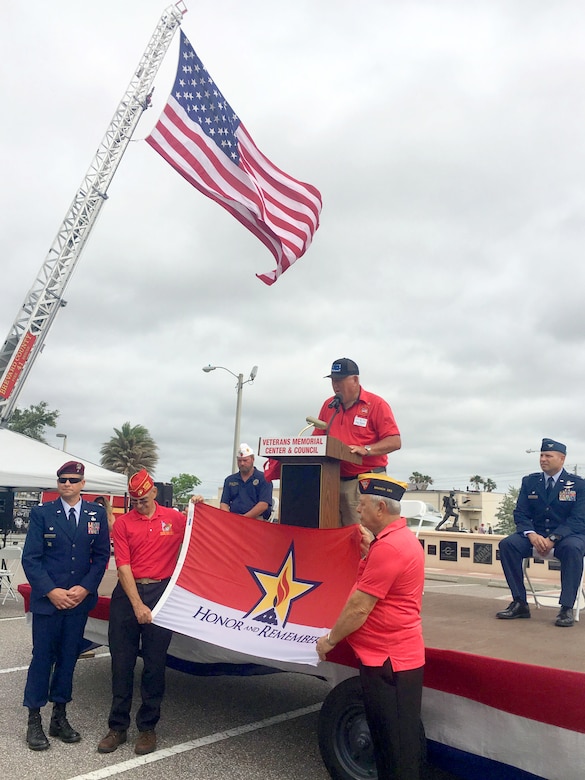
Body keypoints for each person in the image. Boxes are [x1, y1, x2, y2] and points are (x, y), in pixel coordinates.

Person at [316, 473, 425, 779]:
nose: (358, 510)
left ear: (380, 508)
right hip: (388, 660)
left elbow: (360, 606)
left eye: (362, 504)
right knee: (390, 744)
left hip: (390, 664)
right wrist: (370, 548)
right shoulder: (392, 542)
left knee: (396, 751)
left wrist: (330, 641)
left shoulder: (390, 548)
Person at [98, 471, 203, 756]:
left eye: (143, 500)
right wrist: (137, 605)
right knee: (121, 663)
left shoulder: (175, 519)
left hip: (161, 594)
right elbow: (123, 566)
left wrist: (199, 506)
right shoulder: (122, 523)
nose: (139, 506)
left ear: (154, 492)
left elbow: (202, 530)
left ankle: (147, 728)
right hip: (128, 595)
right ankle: (117, 727)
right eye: (134, 502)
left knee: (155, 666)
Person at [22, 460, 110, 751]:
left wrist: (85, 588)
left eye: (73, 480)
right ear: (58, 483)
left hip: (77, 602)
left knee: (69, 658)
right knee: (42, 658)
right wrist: (51, 591)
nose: (67, 484)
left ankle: (59, 716)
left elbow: (100, 558)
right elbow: (31, 559)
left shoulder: (96, 514)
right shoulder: (42, 513)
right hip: (49, 603)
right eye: (63, 480)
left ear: (83, 483)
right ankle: (34, 719)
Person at [496, 438, 585, 628]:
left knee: (574, 548)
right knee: (508, 545)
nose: (543, 459)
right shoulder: (530, 482)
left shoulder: (577, 485)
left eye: (548, 456)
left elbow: (578, 520)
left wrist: (553, 539)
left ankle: (566, 607)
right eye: (541, 455)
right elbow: (520, 513)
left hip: (566, 538)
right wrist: (531, 534)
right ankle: (519, 602)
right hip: (534, 536)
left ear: (562, 459)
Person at [314, 358, 401, 526]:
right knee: (333, 536)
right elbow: (318, 439)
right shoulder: (329, 406)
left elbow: (395, 441)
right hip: (332, 481)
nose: (335, 386)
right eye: (333, 381)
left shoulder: (376, 404)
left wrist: (367, 449)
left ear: (355, 380)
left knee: (362, 538)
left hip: (364, 482)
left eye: (339, 380)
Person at [220, 443, 273, 521]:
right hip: (234, 520)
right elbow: (224, 503)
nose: (242, 463)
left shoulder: (264, 478)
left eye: (245, 460)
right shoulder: (230, 480)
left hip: (257, 521)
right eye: (239, 461)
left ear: (252, 459)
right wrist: (229, 519)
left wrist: (243, 519)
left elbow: (263, 505)